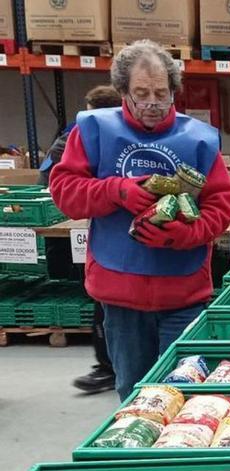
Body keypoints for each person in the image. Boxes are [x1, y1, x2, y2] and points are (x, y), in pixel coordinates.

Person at [50, 40, 230, 400]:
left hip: (184, 296)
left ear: (174, 92)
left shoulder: (198, 140)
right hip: (121, 298)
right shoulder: (93, 131)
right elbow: (65, 193)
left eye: (161, 94)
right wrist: (117, 191)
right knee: (134, 397)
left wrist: (184, 233)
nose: (152, 104)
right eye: (141, 94)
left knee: (185, 398)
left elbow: (221, 207)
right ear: (123, 91)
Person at [37, 85, 122, 394]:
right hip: (99, 239)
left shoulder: (85, 136)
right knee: (107, 302)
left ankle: (110, 366)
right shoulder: (78, 140)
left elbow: (46, 181)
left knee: (111, 304)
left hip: (113, 244)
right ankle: (109, 366)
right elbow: (58, 186)